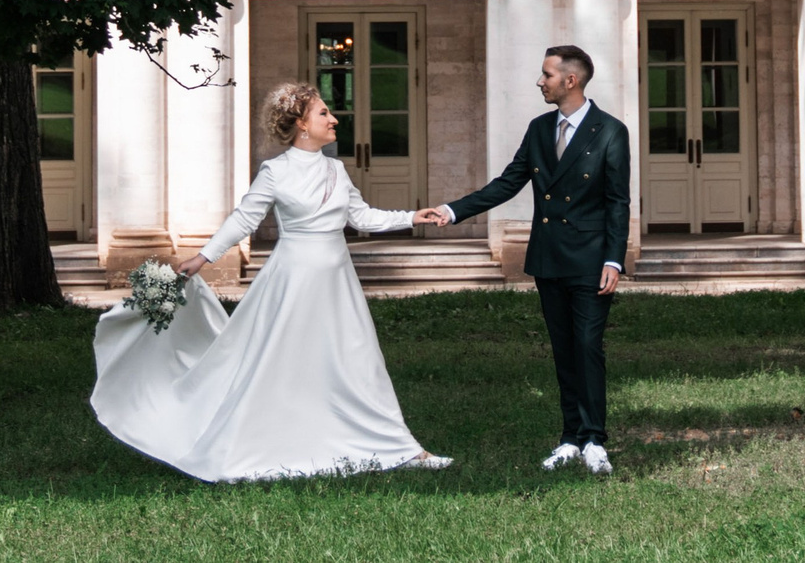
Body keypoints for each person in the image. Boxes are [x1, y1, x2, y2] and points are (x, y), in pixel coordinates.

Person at [90, 81, 451, 481]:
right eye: (323, 113)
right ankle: (266, 440)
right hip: (291, 281)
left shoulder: (335, 168)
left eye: (330, 113)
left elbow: (361, 217)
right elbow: (244, 218)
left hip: (337, 283)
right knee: (281, 361)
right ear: (300, 124)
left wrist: (410, 217)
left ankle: (399, 447)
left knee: (359, 359)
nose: (334, 119)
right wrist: (203, 257)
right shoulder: (275, 171)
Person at [416, 44, 630, 474]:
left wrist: (614, 259)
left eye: (546, 75)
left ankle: (595, 440)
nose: (539, 81)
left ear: (570, 80)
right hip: (549, 258)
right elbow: (508, 183)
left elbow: (617, 201)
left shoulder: (610, 130)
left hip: (590, 260)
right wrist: (453, 210)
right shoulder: (538, 129)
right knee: (563, 348)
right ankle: (570, 437)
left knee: (588, 347)